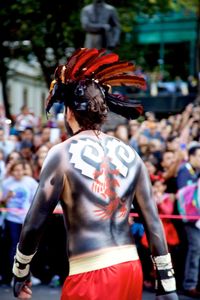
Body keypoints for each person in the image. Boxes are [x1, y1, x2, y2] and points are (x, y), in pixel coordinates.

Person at [12, 48, 178, 300]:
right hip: (130, 267)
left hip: (91, 273)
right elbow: (153, 221)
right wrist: (166, 282)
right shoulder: (131, 154)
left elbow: (35, 222)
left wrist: (20, 269)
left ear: (69, 112)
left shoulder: (61, 154)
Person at [176, 143, 200, 298]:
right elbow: (184, 194)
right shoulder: (184, 170)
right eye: (199, 156)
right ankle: (189, 284)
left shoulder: (196, 171)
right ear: (191, 156)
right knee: (196, 248)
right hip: (189, 219)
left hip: (197, 219)